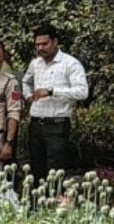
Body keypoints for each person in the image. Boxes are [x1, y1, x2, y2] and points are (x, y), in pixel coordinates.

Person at [22, 24, 88, 185]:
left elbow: (82, 92)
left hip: (57, 125)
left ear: (55, 42)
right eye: (37, 45)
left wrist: (52, 91)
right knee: (36, 169)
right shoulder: (35, 63)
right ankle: (36, 205)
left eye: (45, 44)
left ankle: (54, 204)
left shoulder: (70, 63)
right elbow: (25, 81)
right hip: (36, 122)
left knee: (55, 169)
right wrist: (28, 96)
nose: (40, 48)